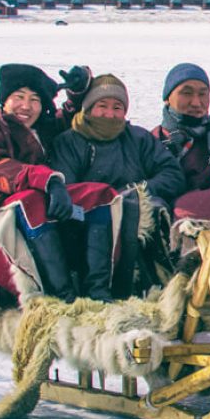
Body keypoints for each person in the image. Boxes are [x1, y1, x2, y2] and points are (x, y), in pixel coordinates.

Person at [0, 63, 117, 304]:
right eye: (19, 97)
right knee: (30, 200)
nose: (26, 107)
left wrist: (77, 95)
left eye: (35, 100)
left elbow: (69, 119)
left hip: (43, 229)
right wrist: (48, 181)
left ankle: (98, 291)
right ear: (5, 99)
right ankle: (63, 298)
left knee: (100, 194)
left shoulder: (42, 131)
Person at [50, 74, 185, 299]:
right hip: (88, 220)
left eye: (117, 107)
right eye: (102, 106)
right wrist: (108, 201)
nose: (110, 114)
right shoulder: (69, 142)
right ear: (88, 107)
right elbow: (67, 187)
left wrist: (138, 193)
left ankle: (152, 284)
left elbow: (171, 174)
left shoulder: (138, 138)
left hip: (137, 213)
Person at [151, 63, 210, 221]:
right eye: (186, 93)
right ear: (167, 98)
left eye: (203, 94)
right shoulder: (153, 142)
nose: (196, 103)